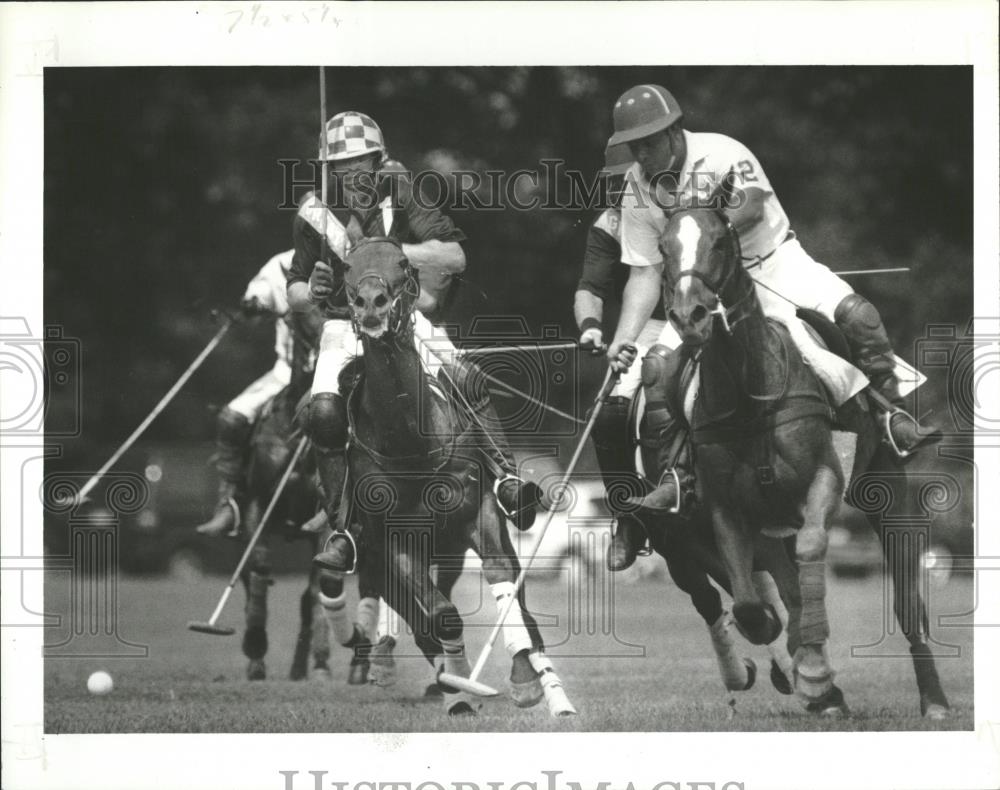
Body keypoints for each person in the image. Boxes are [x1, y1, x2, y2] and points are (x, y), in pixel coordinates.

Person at [603, 84, 940, 515]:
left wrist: (701, 221)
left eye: (648, 143)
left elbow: (752, 206)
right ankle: (677, 475)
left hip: (774, 263)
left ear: (674, 132)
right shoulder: (636, 186)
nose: (642, 155)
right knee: (656, 369)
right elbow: (645, 271)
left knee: (859, 316)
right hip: (702, 288)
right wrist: (624, 339)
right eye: (634, 147)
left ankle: (891, 417)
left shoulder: (722, 153)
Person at [287, 111, 541, 573]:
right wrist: (316, 290)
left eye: (361, 164)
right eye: (341, 168)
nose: (352, 176)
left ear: (379, 161)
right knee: (323, 412)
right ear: (328, 171)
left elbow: (454, 256)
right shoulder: (313, 213)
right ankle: (344, 528)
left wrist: (390, 253)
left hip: (404, 319)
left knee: (467, 377)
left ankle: (506, 480)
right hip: (344, 327)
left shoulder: (401, 192)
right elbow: (296, 291)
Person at [574, 142, 682, 572]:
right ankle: (629, 517)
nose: (627, 189)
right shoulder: (609, 224)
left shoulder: (686, 201)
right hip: (651, 323)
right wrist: (591, 326)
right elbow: (590, 288)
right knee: (611, 412)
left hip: (711, 313)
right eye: (618, 183)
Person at [196, 249, 317, 536]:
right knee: (230, 419)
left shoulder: (344, 258)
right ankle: (230, 504)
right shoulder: (281, 265)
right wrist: (253, 305)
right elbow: (259, 297)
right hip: (286, 372)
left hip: (336, 371)